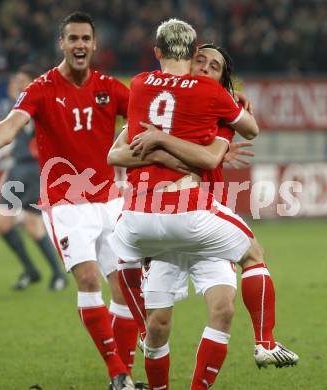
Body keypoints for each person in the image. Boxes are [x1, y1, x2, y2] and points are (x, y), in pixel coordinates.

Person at [0, 12, 141, 390]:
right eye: (73, 38)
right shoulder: (42, 88)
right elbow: (11, 123)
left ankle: (126, 374)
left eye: (86, 38)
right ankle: (117, 373)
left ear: (94, 43)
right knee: (88, 279)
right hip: (66, 204)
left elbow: (147, 113)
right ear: (62, 43)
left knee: (125, 288)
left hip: (109, 203)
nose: (80, 45)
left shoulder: (109, 87)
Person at [106, 18, 291, 389]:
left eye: (215, 66)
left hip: (198, 221)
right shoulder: (172, 98)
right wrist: (171, 152)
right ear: (187, 61)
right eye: (200, 61)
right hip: (180, 216)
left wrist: (163, 145)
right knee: (158, 326)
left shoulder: (218, 111)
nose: (205, 67)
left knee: (223, 311)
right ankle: (261, 344)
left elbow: (211, 157)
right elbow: (118, 154)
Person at [0, 65, 68, 291]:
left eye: (22, 81)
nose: (16, 84)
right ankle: (31, 271)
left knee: (32, 224)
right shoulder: (16, 110)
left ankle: (58, 274)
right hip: (17, 169)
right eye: (15, 80)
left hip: (35, 170)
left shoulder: (40, 104)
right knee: (1, 223)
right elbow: (14, 138)